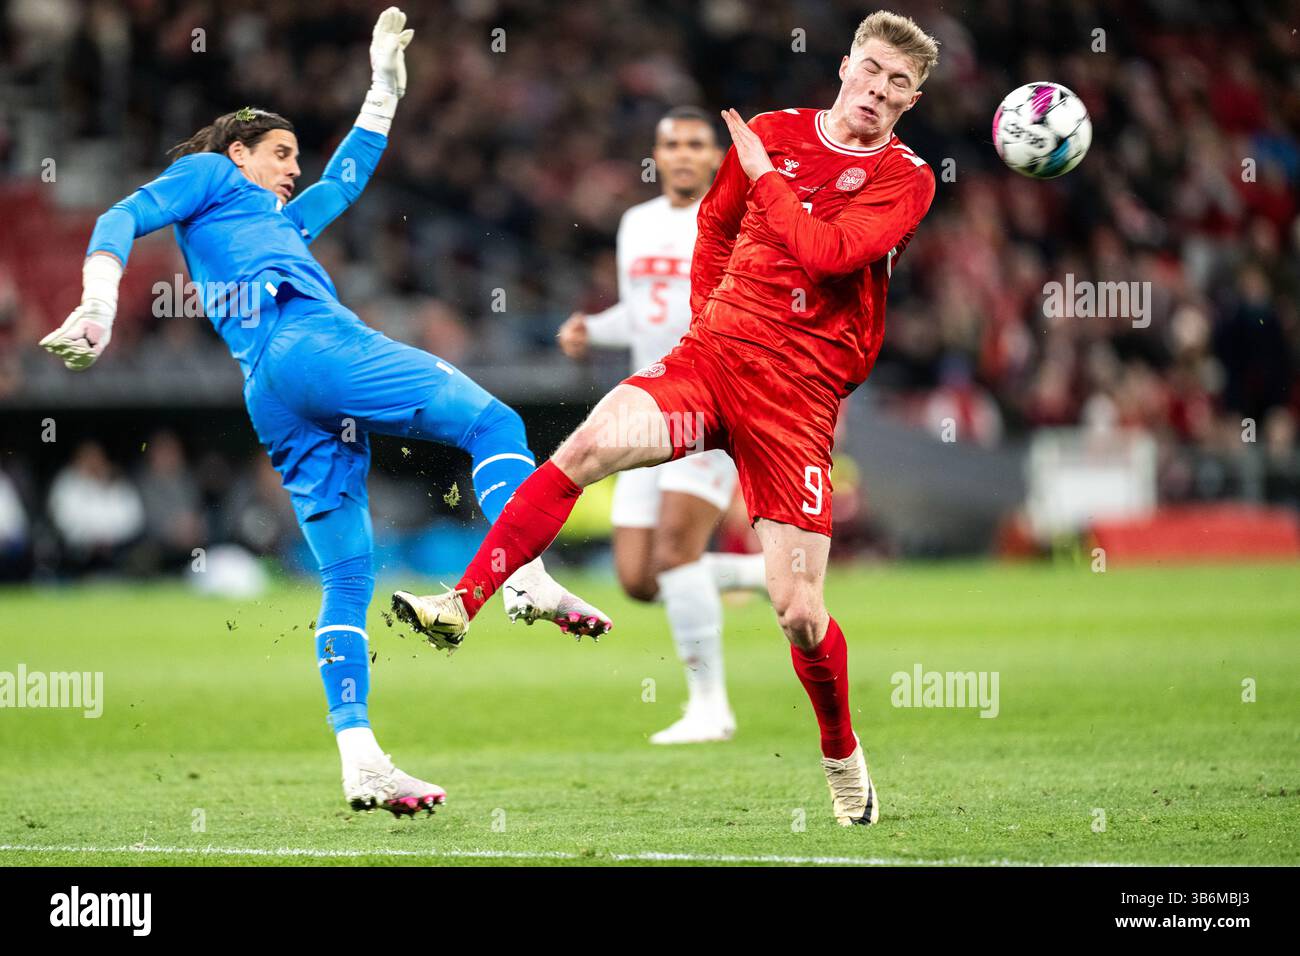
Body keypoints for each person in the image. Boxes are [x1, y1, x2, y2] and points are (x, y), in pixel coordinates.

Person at [39, 8, 608, 818]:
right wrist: (98, 305)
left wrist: (382, 92)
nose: (291, 169)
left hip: (272, 389)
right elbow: (119, 215)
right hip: (310, 343)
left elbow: (344, 180)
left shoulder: (276, 223)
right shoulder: (213, 179)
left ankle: (362, 758)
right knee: (497, 426)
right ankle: (522, 574)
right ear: (238, 153)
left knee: (346, 577)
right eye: (280, 154)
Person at [393, 10, 939, 826]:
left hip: (798, 397)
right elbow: (716, 226)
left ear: (912, 99)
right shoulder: (776, 131)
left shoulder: (907, 178)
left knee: (797, 609)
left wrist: (767, 175)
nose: (878, 90)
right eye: (870, 69)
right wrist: (704, 320)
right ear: (845, 66)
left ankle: (841, 756)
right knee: (582, 449)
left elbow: (828, 255)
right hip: (715, 359)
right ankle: (462, 603)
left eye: (898, 83)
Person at [556, 106, 767, 745]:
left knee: (676, 553)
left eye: (694, 144)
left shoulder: (735, 224)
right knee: (641, 579)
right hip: (646, 409)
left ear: (715, 157)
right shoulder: (636, 224)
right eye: (669, 143)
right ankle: (759, 575)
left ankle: (710, 706)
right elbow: (642, 311)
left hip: (707, 403)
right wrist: (594, 328)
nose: (680, 153)